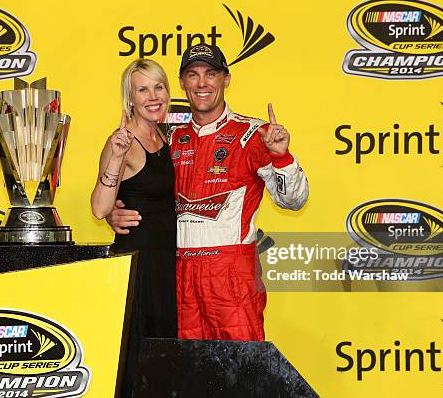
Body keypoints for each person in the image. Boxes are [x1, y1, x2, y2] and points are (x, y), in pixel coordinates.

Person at [107, 44, 308, 341]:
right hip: (180, 275)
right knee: (187, 376)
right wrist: (116, 209)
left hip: (231, 276)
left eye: (211, 74)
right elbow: (148, 190)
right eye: (193, 75)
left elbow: (293, 200)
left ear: (226, 79)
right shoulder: (171, 138)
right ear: (183, 83)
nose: (202, 83)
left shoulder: (254, 134)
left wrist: (282, 157)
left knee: (239, 373)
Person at [91, 59, 177, 395]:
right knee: (136, 363)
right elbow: (100, 208)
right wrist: (115, 157)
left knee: (166, 365)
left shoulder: (168, 139)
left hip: (170, 266)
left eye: (159, 87)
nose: (153, 96)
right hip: (139, 270)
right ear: (130, 98)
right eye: (143, 89)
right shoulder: (122, 142)